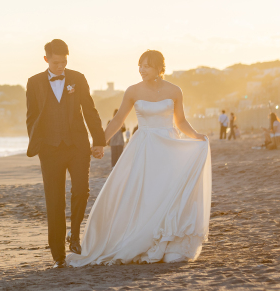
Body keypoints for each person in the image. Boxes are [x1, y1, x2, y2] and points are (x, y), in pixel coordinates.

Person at [66, 50, 211, 267]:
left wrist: (197, 137)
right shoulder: (133, 91)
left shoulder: (175, 90)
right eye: (140, 66)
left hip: (169, 147)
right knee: (146, 194)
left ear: (159, 68)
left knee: (168, 192)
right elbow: (117, 121)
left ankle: (170, 243)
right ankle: (144, 240)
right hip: (145, 147)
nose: (142, 70)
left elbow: (180, 122)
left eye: (147, 66)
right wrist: (100, 143)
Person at [25, 39, 106, 268]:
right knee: (55, 201)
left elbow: (89, 110)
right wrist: (38, 143)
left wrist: (98, 141)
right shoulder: (34, 82)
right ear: (46, 59)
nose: (61, 66)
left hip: (77, 146)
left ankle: (76, 234)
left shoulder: (77, 79)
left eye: (64, 62)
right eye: (56, 62)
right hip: (49, 150)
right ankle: (58, 256)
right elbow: (32, 116)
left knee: (81, 190)